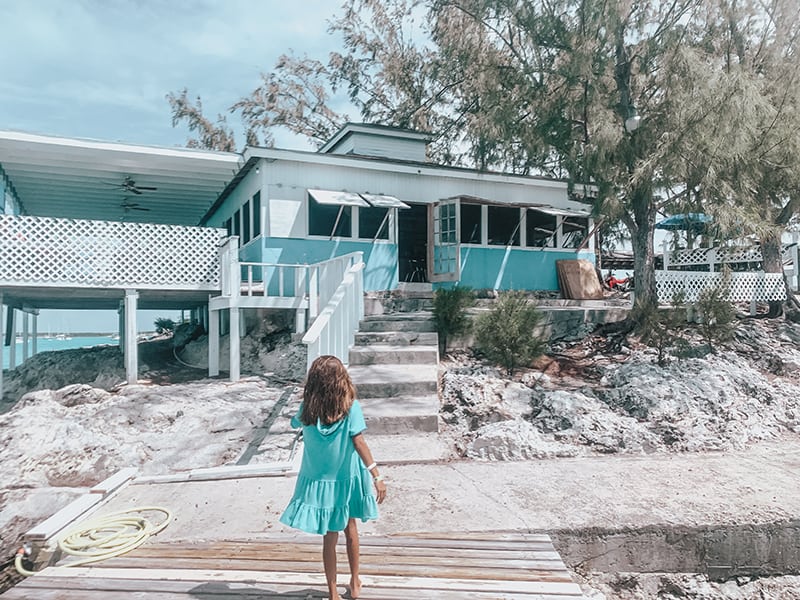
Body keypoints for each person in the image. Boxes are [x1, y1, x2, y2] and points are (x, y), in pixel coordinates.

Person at [280, 355, 387, 600]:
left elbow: (293, 423)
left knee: (329, 537)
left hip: (319, 481)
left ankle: (332, 593)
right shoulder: (351, 408)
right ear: (341, 380)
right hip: (346, 479)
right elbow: (359, 442)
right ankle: (355, 580)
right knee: (351, 529)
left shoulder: (307, 408)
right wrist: (376, 475)